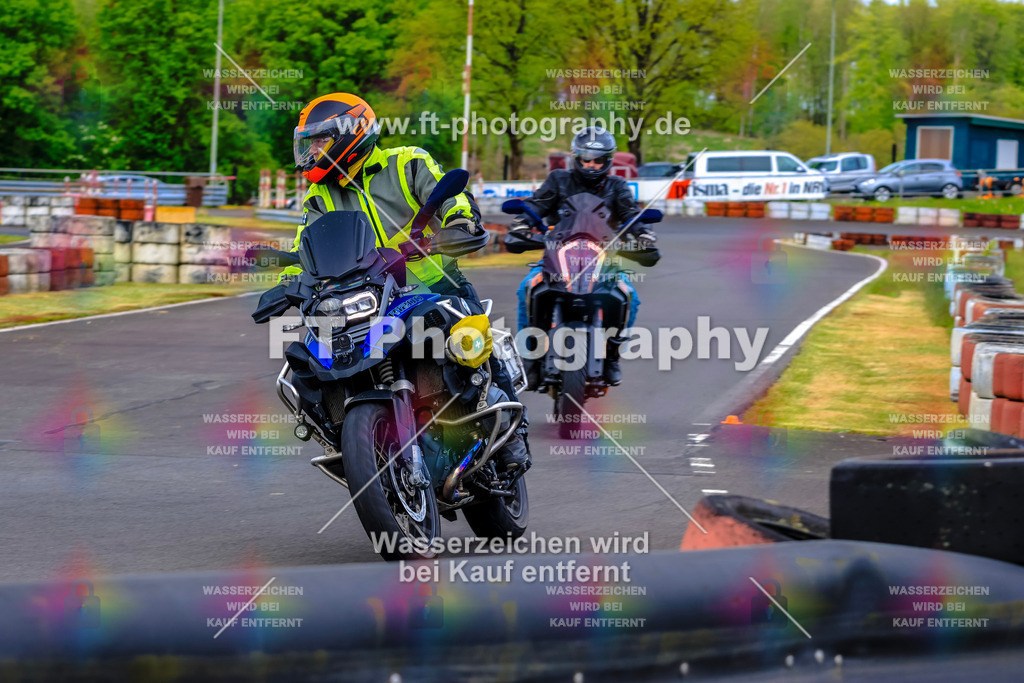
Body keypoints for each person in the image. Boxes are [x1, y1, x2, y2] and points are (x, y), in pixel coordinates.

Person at [280, 92, 530, 470]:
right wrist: (289, 281)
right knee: (315, 358)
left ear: (350, 133)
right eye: (309, 143)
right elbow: (305, 249)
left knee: (474, 339)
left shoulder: (407, 162)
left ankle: (512, 430)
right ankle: (349, 437)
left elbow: (451, 194)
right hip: (366, 298)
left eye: (319, 140)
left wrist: (459, 222)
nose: (312, 151)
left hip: (434, 285)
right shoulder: (319, 197)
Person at [510, 126, 656, 387]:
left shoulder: (617, 186)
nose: (591, 164)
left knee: (630, 297)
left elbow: (630, 214)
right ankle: (529, 356)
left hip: (603, 260)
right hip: (558, 257)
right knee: (526, 288)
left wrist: (644, 234)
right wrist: (523, 222)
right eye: (585, 158)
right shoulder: (558, 180)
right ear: (576, 158)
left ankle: (611, 357)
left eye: (597, 159)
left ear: (608, 160)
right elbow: (537, 204)